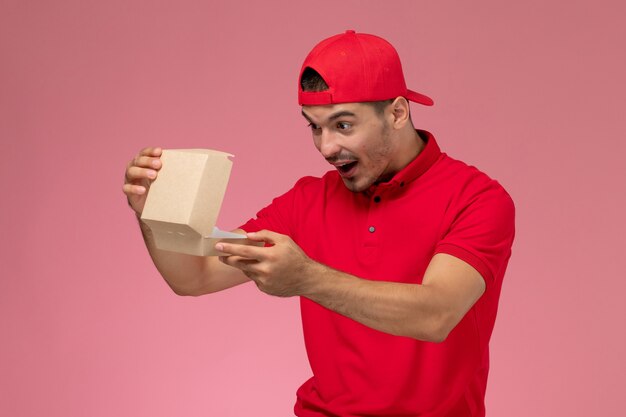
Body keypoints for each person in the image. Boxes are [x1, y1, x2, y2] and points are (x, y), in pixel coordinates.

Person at [123, 30, 515, 417]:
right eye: (314, 126)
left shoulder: (477, 198)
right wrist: (152, 212)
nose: (326, 147)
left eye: (343, 125)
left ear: (397, 112)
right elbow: (194, 277)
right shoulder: (308, 200)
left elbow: (436, 314)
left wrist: (307, 278)